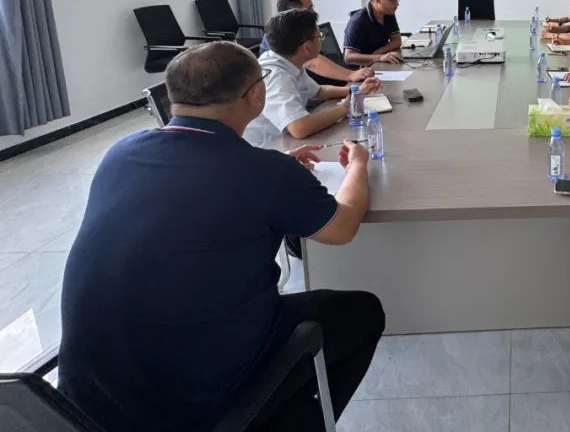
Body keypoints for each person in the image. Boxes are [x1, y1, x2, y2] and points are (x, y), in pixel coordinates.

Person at [59, 42, 384, 432]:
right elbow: (342, 228)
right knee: (362, 312)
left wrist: (276, 171)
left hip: (83, 401)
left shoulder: (121, 152)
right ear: (256, 94)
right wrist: (358, 166)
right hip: (185, 401)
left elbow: (191, 191)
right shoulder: (264, 172)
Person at [245, 9, 381, 147]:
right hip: (267, 147)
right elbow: (299, 128)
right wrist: (345, 108)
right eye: (319, 36)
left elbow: (318, 91)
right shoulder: (276, 77)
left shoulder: (287, 59)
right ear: (306, 47)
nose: (321, 40)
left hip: (286, 142)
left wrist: (356, 91)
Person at [260, 0, 376, 85]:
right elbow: (312, 63)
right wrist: (350, 75)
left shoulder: (292, 28)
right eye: (310, 8)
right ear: (295, 12)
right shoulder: (280, 35)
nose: (314, 12)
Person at [344, 0, 403, 65]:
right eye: (393, 0)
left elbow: (397, 40)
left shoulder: (388, 14)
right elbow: (348, 57)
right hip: (361, 69)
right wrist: (380, 57)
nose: (397, 4)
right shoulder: (358, 21)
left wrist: (379, 52)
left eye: (397, 0)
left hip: (379, 62)